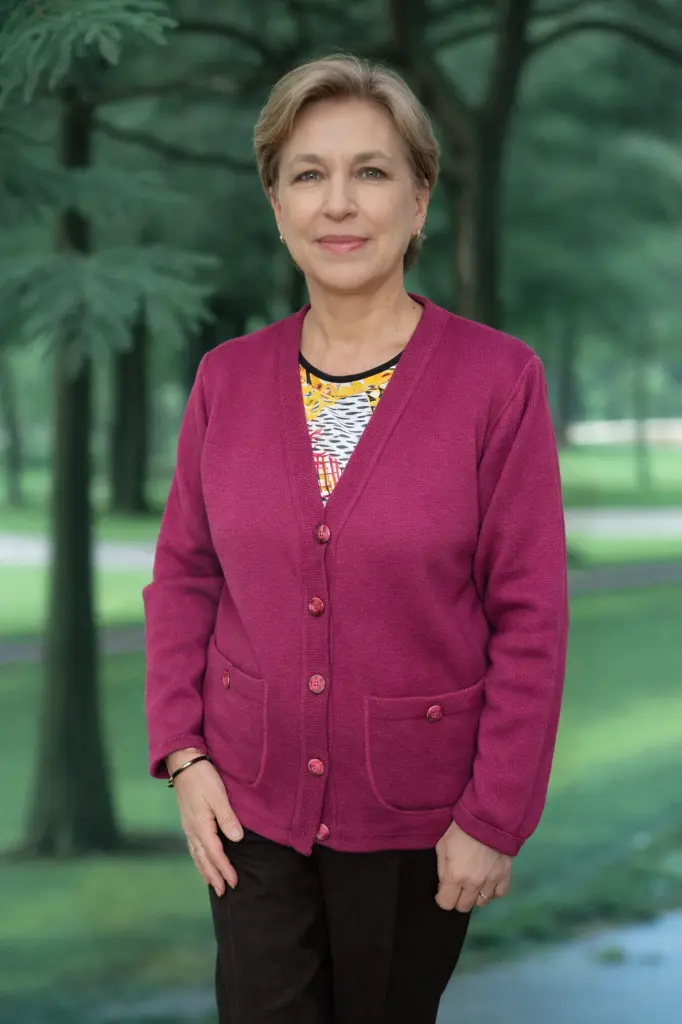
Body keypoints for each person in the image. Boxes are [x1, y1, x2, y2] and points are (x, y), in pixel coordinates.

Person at [143, 53, 569, 1024]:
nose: (338, 202)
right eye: (308, 174)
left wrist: (494, 816)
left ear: (419, 202)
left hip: (417, 816)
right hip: (247, 804)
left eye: (370, 172)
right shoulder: (224, 380)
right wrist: (184, 753)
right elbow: (184, 578)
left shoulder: (498, 382)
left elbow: (530, 616)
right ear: (276, 204)